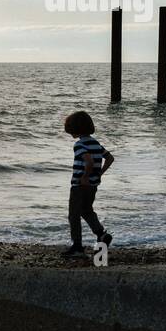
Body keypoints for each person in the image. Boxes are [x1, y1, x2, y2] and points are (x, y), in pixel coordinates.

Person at [62, 110, 114, 257]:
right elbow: (110, 158)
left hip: (79, 185)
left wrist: (84, 176)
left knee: (74, 215)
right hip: (93, 185)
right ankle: (101, 234)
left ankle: (77, 246)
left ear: (75, 129)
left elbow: (89, 161)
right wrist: (99, 174)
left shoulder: (79, 145)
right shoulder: (96, 143)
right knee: (86, 210)